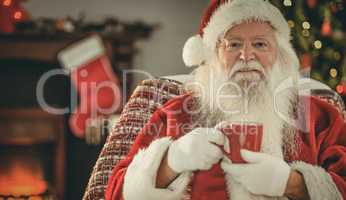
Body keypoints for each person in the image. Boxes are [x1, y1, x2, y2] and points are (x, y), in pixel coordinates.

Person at [105, 0, 346, 199]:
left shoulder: (318, 116)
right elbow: (114, 193)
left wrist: (290, 183)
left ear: (280, 55)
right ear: (211, 56)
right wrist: (171, 161)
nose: (247, 55)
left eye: (260, 44)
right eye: (233, 45)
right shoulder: (175, 113)